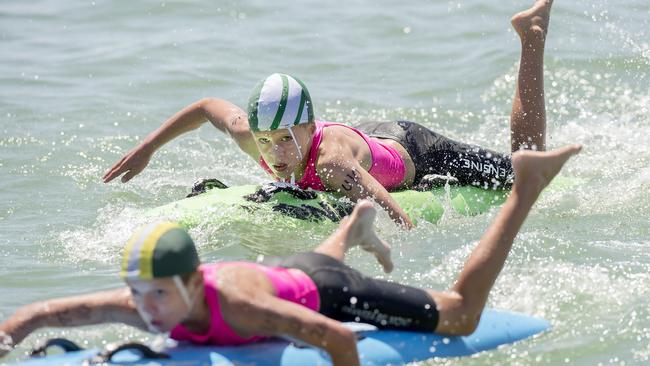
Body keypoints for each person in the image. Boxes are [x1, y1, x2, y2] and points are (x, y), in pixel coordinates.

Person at [0, 142, 582, 365]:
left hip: (324, 290)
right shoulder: (147, 303)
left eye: (157, 295)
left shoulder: (236, 305)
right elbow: (58, 314)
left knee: (460, 312)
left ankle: (526, 186)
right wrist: (15, 327)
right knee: (307, 264)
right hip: (287, 270)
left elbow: (337, 338)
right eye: (138, 295)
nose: (146, 310)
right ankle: (354, 227)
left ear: (191, 285)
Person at [102, 0, 557, 229]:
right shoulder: (253, 133)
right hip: (368, 137)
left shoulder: (331, 163)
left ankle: (531, 34)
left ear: (307, 126)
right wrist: (147, 149)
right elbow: (205, 108)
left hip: (413, 149)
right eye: (266, 141)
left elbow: (400, 220)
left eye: (285, 139)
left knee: (527, 170)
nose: (275, 153)